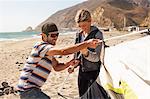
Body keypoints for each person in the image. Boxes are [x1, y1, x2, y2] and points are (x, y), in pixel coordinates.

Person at [16, 22, 100, 99]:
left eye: (57, 35)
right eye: (52, 35)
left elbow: (56, 67)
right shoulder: (41, 47)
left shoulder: (48, 53)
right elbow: (63, 51)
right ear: (43, 36)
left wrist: (69, 63)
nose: (55, 38)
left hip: (32, 89)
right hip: (27, 89)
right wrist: (87, 43)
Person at [69, 9, 109, 98]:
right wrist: (73, 65)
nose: (82, 28)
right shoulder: (78, 35)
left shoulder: (97, 34)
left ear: (90, 21)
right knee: (83, 96)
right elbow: (76, 54)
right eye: (80, 26)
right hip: (82, 73)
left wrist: (86, 53)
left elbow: (98, 58)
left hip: (94, 73)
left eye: (84, 25)